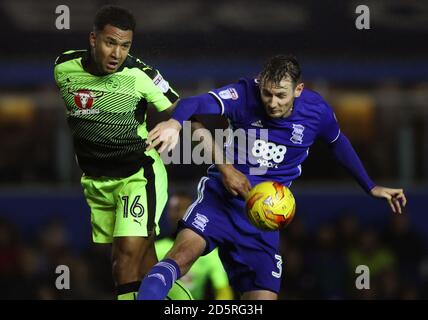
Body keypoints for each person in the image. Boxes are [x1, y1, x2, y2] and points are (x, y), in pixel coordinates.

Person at [137, 54, 407, 300]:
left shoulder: (317, 112)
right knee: (179, 258)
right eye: (267, 93)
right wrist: (174, 124)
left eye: (280, 95)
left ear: (298, 90)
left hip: (263, 217)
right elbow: (193, 103)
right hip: (220, 199)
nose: (272, 102)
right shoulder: (244, 94)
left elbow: (338, 144)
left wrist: (369, 186)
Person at [53, 5, 192, 300]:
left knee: (124, 261)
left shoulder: (140, 75)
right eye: (110, 43)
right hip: (97, 182)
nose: (117, 53)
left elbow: (182, 106)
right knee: (145, 267)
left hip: (138, 175)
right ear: (93, 39)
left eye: (125, 45)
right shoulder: (63, 68)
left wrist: (175, 125)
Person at [156, 192, 234, 300]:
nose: (178, 214)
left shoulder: (209, 254)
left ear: (193, 213)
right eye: (174, 209)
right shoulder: (156, 248)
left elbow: (223, 291)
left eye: (182, 209)